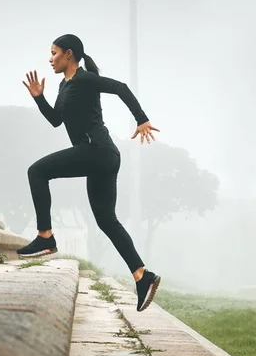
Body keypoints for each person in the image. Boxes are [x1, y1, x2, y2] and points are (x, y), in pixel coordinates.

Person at [18, 34, 161, 312]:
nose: (50, 59)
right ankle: (143, 277)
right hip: (102, 156)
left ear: (69, 54)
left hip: (96, 151)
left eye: (54, 53)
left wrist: (141, 118)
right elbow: (56, 121)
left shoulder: (83, 79)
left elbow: (120, 87)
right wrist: (39, 98)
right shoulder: (64, 85)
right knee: (106, 221)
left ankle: (45, 236)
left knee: (37, 172)